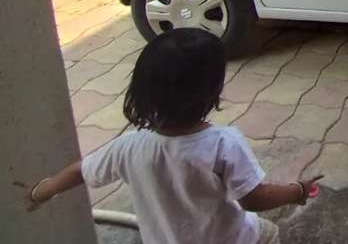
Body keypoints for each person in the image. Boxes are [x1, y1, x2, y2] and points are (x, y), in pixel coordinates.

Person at [19, 29, 322, 244]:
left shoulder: (128, 147)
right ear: (210, 91)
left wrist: (41, 192)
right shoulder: (222, 143)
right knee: (268, 233)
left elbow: (80, 171)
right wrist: (297, 191)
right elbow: (254, 199)